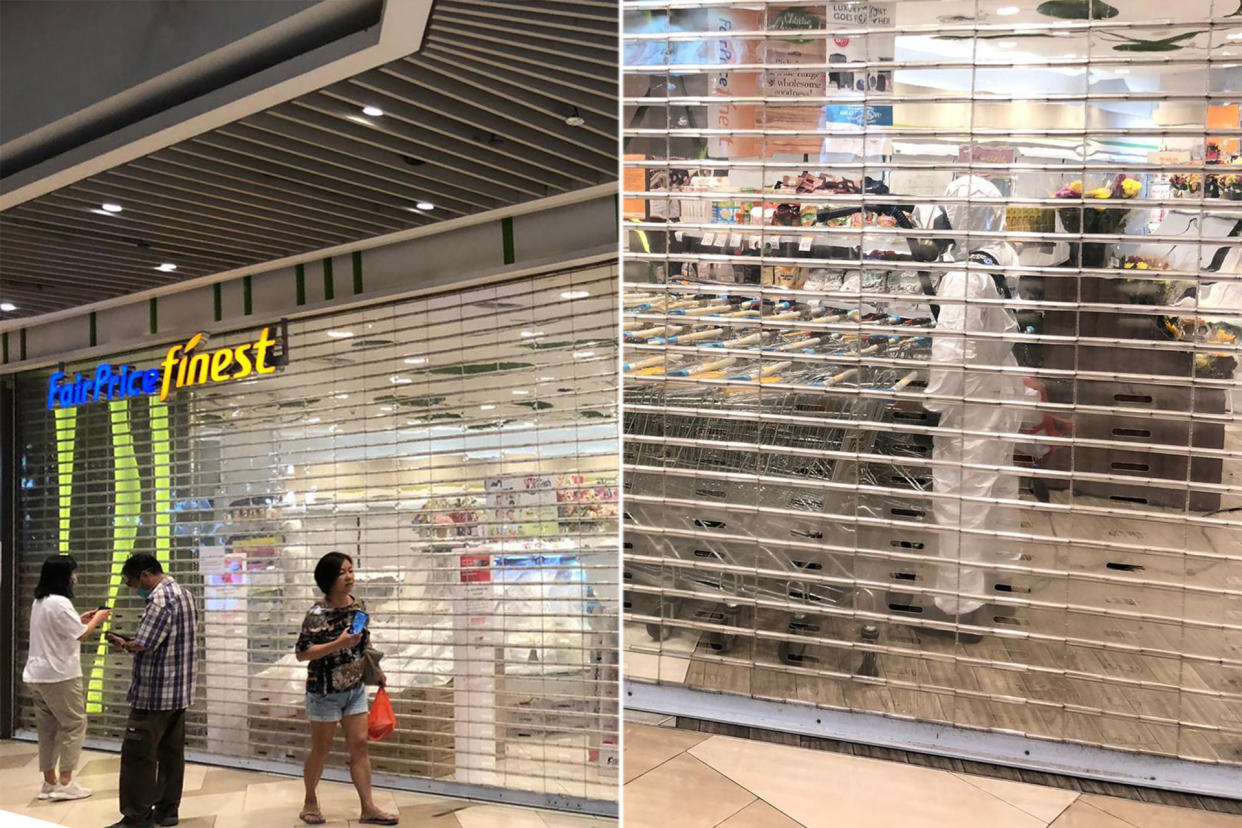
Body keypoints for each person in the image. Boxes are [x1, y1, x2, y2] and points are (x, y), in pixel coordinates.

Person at [917, 176, 1037, 641]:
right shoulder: (1002, 255)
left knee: (959, 502)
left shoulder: (964, 278)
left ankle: (959, 611)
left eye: (949, 213)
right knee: (998, 490)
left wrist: (933, 407)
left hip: (970, 405)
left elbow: (952, 352)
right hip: (1000, 394)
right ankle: (1002, 583)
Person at [295, 552, 396, 826]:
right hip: (324, 692)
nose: (350, 577)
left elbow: (364, 642)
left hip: (354, 689)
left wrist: (376, 671)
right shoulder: (317, 615)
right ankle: (310, 802)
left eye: (351, 570)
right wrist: (337, 644)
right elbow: (302, 653)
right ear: (328, 580)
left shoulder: (359, 606)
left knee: (360, 746)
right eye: (342, 573)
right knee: (322, 749)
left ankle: (368, 807)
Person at [104, 554, 197, 828]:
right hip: (179, 693)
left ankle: (136, 817)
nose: (133, 588)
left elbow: (144, 643)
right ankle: (168, 811)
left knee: (139, 757)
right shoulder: (185, 594)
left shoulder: (159, 600)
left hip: (154, 695)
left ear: (145, 575)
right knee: (171, 755)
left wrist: (122, 642)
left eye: (132, 582)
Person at [23, 554, 111, 801]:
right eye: (73, 572)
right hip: (60, 675)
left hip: (36, 675)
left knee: (48, 729)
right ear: (64, 576)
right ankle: (66, 781)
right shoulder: (60, 602)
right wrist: (98, 619)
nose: (76, 577)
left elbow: (64, 629)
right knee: (74, 724)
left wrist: (82, 618)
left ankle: (49, 783)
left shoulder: (40, 601)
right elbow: (81, 635)